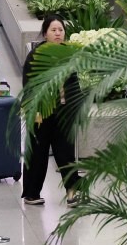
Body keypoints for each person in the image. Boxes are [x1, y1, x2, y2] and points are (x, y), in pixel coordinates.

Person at [20, 15, 81, 205]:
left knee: (66, 154)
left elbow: (73, 83)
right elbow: (29, 85)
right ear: (45, 33)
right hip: (41, 113)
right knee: (38, 154)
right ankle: (32, 193)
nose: (57, 33)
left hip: (63, 113)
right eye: (53, 30)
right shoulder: (36, 55)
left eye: (60, 30)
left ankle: (72, 191)